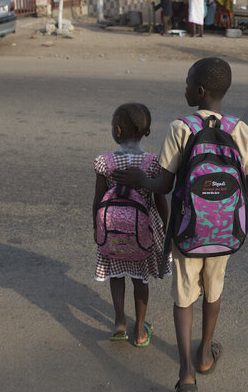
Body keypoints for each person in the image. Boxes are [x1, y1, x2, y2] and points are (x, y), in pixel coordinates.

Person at [112, 58, 248, 392]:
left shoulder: (182, 128)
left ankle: (186, 376)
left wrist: (140, 178)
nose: (184, 88)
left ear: (199, 91)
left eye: (186, 83)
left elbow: (164, 185)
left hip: (187, 229)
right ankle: (205, 355)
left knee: (184, 296)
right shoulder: (240, 129)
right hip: (224, 231)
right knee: (214, 290)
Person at [92, 103, 171, 346]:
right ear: (146, 132)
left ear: (117, 130)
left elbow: (97, 200)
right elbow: (160, 200)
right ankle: (139, 330)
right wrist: (167, 229)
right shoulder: (151, 163)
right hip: (141, 234)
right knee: (140, 280)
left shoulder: (105, 162)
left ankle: (119, 323)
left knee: (116, 275)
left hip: (112, 232)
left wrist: (97, 228)